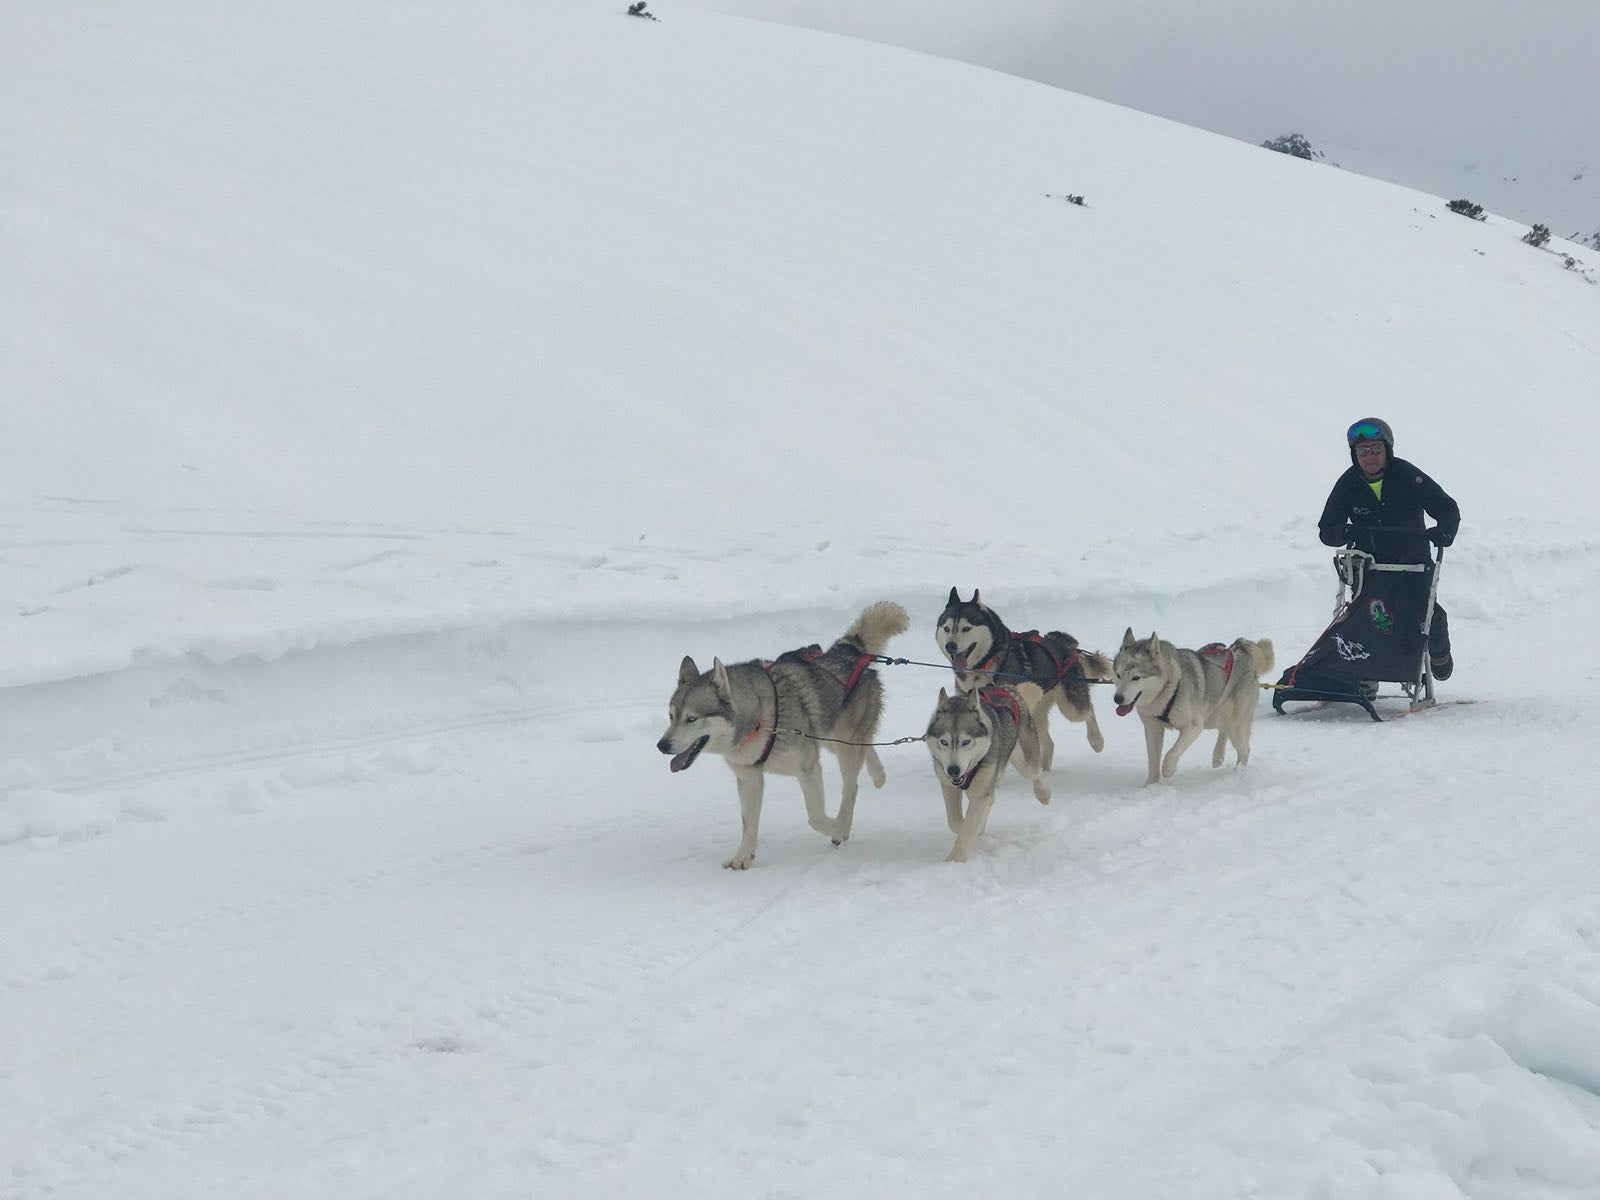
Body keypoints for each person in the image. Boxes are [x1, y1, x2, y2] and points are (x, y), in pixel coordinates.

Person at [1318, 417, 1460, 680]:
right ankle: (1365, 676)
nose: (1369, 456)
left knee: (1424, 614)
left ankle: (1440, 653)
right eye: (1363, 452)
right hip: (1370, 567)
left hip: (1413, 563)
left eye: (1376, 450)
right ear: (1354, 455)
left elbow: (1447, 508)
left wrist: (1444, 533)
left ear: (1387, 450)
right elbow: (1327, 530)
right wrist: (1346, 532)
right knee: (1369, 619)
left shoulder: (1409, 476)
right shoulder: (1348, 484)